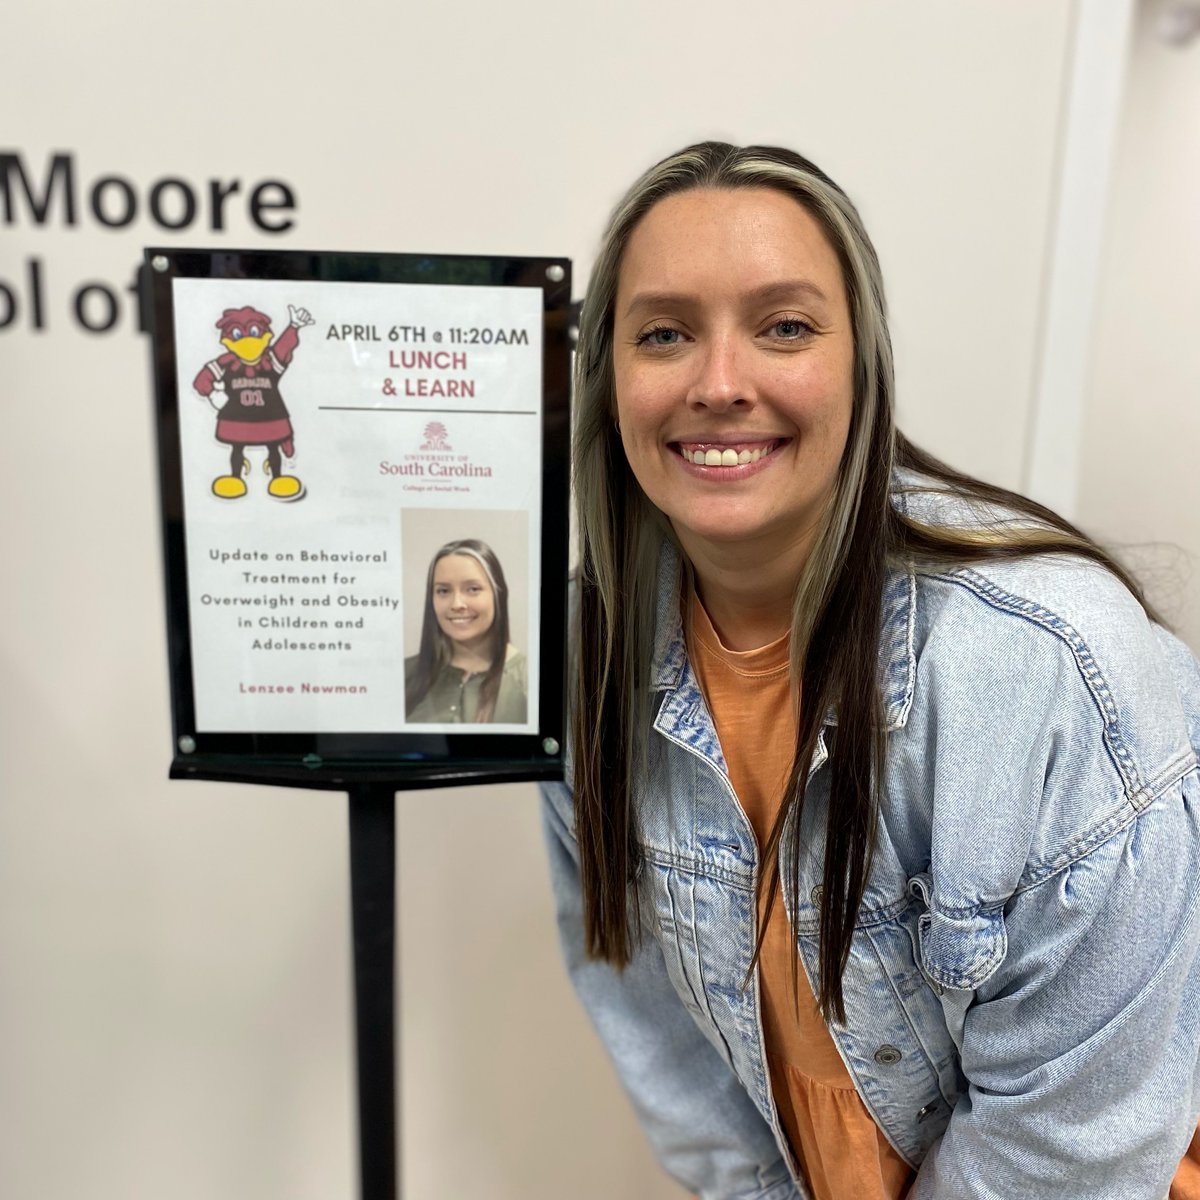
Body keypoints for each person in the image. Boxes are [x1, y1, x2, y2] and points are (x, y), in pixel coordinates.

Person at [542, 142, 1200, 1200]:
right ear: (608, 378)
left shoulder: (1054, 675)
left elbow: (1068, 1153)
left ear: (864, 365)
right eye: (663, 333)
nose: (719, 384)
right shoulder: (591, 659)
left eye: (785, 327)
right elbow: (649, 1021)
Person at [405, 538, 527, 724]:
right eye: (444, 591)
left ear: (498, 595)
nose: (457, 604)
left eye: (472, 589)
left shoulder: (530, 680)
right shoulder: (404, 676)